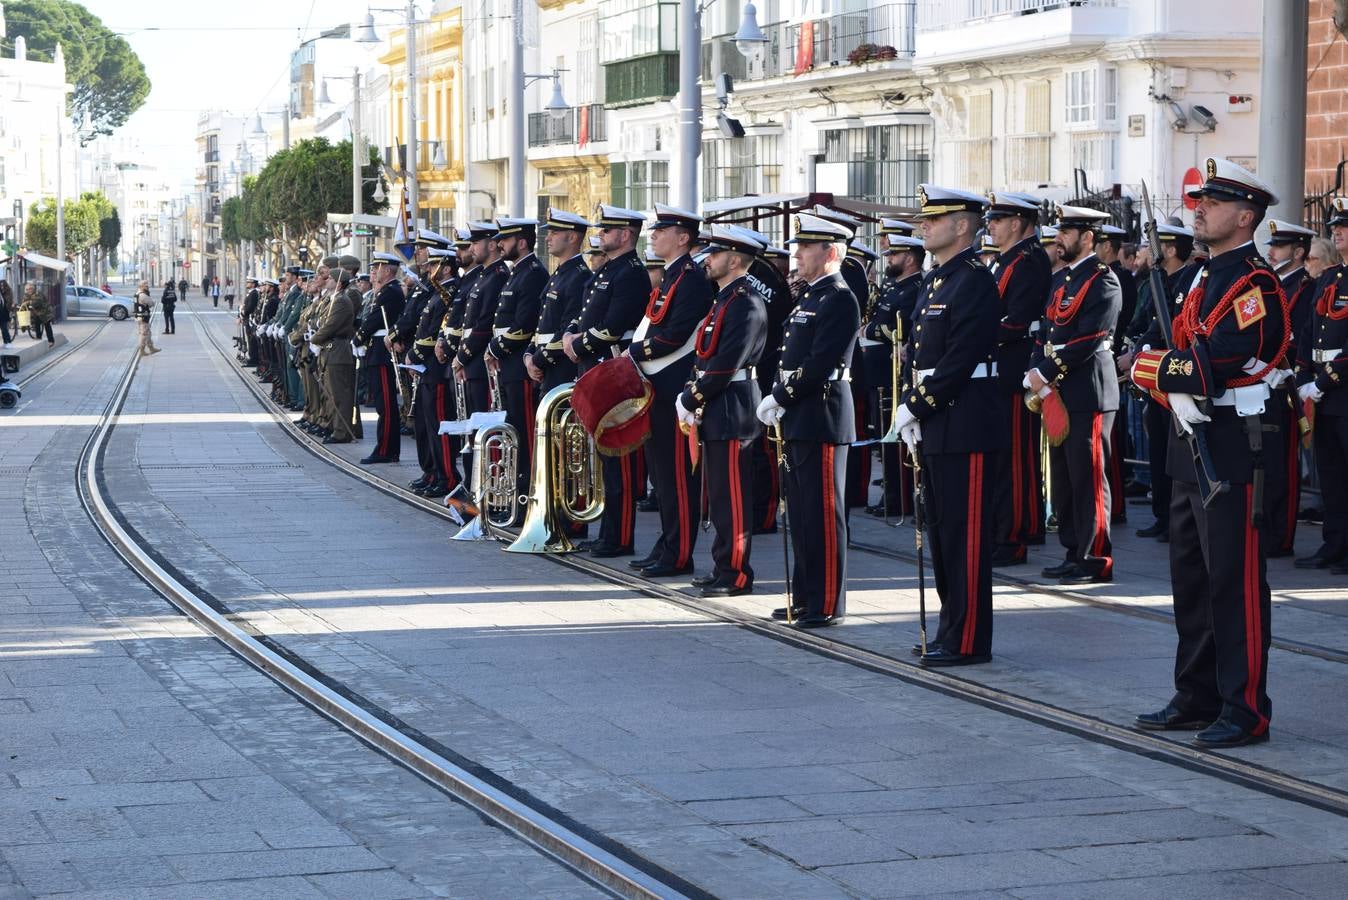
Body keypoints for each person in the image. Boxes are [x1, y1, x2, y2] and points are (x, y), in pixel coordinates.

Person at [1131, 157, 1287, 748]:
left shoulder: (1254, 284)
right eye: (1201, 201)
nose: (1198, 208)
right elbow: (1178, 353)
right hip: (1187, 440)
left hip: (1230, 445)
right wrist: (1165, 373)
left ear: (1245, 216)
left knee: (1234, 580)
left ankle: (1245, 707)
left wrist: (1145, 369)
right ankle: (1195, 693)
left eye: (1213, 203)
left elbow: (1209, 363)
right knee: (1190, 577)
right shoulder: (1201, 276)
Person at [894, 186, 1004, 665]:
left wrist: (917, 404)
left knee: (966, 536)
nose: (924, 225)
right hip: (937, 418)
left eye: (935, 219)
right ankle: (948, 628)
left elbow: (960, 358)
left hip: (965, 422)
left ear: (963, 226)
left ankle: (968, 638)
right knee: (940, 532)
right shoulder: (937, 280)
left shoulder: (974, 280)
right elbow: (920, 353)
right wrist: (913, 404)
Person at [756, 212, 859, 628]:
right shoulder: (813, 295)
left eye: (805, 247)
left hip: (822, 413)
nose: (796, 254)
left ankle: (827, 601)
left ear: (829, 252)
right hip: (800, 413)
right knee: (800, 513)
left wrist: (780, 395)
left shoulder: (838, 297)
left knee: (822, 514)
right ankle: (806, 595)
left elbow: (820, 363)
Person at [1030, 205, 1122, 585]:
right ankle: (1073, 551)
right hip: (1058, 390)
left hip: (1088, 390)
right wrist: (1035, 369)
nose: (1058, 239)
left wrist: (1045, 372)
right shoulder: (1061, 280)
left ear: (1087, 239)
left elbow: (1089, 338)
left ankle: (1095, 557)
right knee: (1065, 478)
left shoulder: (1103, 281)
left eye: (1066, 233)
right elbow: (1044, 330)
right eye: (1058, 232)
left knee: (1088, 477)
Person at [679, 224, 768, 596]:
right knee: (718, 496)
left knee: (731, 498)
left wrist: (690, 397)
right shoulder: (724, 299)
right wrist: (693, 391)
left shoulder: (745, 302)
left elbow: (725, 365)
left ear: (734, 259)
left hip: (732, 409)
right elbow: (705, 357)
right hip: (717, 407)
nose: (708, 259)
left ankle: (736, 573)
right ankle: (721, 566)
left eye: (714, 254)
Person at [627, 204, 714, 579]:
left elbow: (677, 334)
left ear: (683, 237)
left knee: (677, 475)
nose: (654, 234)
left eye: (662, 230)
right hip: (655, 385)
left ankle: (679, 553)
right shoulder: (671, 275)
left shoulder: (691, 279)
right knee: (661, 474)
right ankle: (666, 543)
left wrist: (633, 351)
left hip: (673, 385)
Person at [563, 205, 650, 558]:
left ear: (626, 235)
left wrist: (578, 343)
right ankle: (607, 532)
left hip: (613, 370)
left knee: (620, 459)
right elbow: (584, 315)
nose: (600, 234)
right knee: (602, 460)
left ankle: (621, 535)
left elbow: (613, 327)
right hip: (594, 368)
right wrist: (571, 335)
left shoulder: (630, 272)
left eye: (608, 230)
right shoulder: (607, 271)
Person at [984, 192, 1052, 564]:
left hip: (1014, 367)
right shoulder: (1006, 260)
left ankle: (1014, 536)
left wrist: (974, 333)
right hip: (1001, 368)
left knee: (1015, 459)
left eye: (998, 218)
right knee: (1005, 456)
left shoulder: (1027, 260)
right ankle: (1010, 529)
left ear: (1018, 222)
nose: (991, 225)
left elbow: (1016, 320)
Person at [1122, 224, 1199, 542]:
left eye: (1154, 245)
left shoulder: (1185, 281)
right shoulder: (1161, 280)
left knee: (1170, 449)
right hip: (1156, 375)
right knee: (1157, 447)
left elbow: (1172, 328)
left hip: (1173, 375)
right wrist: (1138, 349)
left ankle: (1171, 517)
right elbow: (1153, 324)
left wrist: (1142, 351)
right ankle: (1162, 514)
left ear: (1169, 249)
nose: (1147, 250)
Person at [1296, 197, 1348, 572]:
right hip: (1322, 392)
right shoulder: (1330, 277)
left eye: (1344, 229)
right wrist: (1302, 377)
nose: (1338, 233)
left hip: (1343, 391)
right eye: (1335, 229)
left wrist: (1326, 381)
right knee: (1330, 475)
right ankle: (1335, 545)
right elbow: (1308, 332)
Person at [1263, 219, 1318, 556]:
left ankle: (1280, 536)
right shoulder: (1274, 286)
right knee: (1268, 462)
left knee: (1283, 462)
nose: (1271, 252)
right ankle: (1267, 527)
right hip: (1265, 380)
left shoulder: (1305, 288)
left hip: (1285, 382)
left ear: (1298, 252)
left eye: (1279, 246)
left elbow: (1299, 337)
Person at [862, 230, 925, 519]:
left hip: (894, 373)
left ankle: (900, 497)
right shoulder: (894, 287)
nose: (889, 259)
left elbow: (895, 329)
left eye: (895, 254)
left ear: (910, 258)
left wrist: (871, 331)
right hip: (880, 372)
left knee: (898, 438)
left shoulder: (913, 288)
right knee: (885, 439)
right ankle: (892, 493)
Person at [486, 218, 549, 500]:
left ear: (521, 242)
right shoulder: (517, 272)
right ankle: (513, 491)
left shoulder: (533, 272)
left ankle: (525, 495)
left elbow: (525, 324)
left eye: (506, 239)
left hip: (518, 366)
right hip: (507, 364)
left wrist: (495, 349)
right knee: (510, 431)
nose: (500, 244)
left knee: (523, 434)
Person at [1097, 223, 1138, 525]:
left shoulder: (1117, 277)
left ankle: (1117, 505)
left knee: (1112, 440)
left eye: (1098, 244)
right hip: (1113, 358)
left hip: (1112, 359)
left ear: (1108, 247)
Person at [527, 209, 592, 395]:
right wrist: (528, 355)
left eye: (554, 233)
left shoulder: (580, 276)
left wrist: (537, 360)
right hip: (545, 367)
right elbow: (542, 324)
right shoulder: (559, 274)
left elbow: (568, 327)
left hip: (561, 366)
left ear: (572, 237)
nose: (548, 238)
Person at [358, 252, 408, 464]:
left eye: (376, 267)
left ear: (387, 271)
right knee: (382, 404)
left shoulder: (391, 292)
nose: (373, 271)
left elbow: (374, 320)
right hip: (376, 351)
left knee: (386, 405)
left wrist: (358, 338)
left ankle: (386, 450)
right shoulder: (383, 292)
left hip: (382, 352)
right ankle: (386, 448)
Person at [133, 280, 161, 356]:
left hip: (140, 316)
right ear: (141, 286)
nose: (147, 287)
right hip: (143, 317)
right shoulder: (142, 295)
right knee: (144, 334)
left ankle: (151, 347)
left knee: (147, 333)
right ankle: (142, 350)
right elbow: (151, 303)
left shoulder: (137, 294)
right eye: (146, 286)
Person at [0, 280, 14, 348]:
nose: (2, 287)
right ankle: (5, 342)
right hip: (2, 312)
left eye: (3, 285)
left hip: (4, 312)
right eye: (0, 285)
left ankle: (8, 342)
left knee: (4, 328)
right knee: (3, 329)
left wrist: (8, 310)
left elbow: (9, 301)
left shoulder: (8, 291)